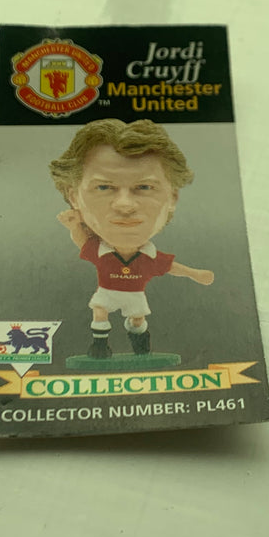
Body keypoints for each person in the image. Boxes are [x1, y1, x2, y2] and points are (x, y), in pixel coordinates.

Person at [50, 119, 214, 358]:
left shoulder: (149, 257)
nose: (125, 205)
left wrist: (195, 274)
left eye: (144, 187)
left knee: (137, 319)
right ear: (74, 197)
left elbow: (171, 267)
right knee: (99, 311)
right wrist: (74, 226)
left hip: (135, 296)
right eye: (104, 187)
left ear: (172, 198)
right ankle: (100, 346)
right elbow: (82, 241)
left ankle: (140, 344)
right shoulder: (100, 251)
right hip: (107, 293)